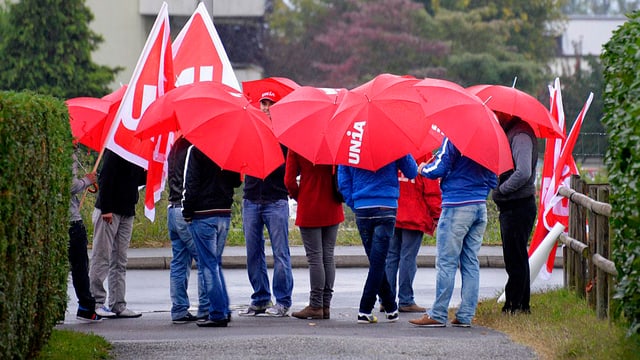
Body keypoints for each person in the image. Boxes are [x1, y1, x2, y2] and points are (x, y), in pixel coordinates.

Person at [409, 137, 497, 328]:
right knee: (470, 261)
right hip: (479, 207)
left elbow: (439, 168)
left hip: (456, 205)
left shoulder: (455, 136)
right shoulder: (488, 141)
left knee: (446, 262)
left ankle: (438, 313)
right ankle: (466, 314)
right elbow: (493, 179)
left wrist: (422, 168)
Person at [337, 154, 418, 324]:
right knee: (378, 262)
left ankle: (390, 306)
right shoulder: (394, 141)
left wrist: (355, 203)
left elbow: (343, 179)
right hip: (386, 206)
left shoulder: (352, 140)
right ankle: (365, 309)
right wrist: (405, 150)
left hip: (362, 208)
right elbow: (411, 172)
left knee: (377, 262)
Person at [238, 91, 294, 317]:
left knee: (280, 253)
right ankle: (260, 297)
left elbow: (288, 167)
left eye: (270, 103)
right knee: (253, 252)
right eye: (263, 102)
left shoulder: (284, 135)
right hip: (251, 197)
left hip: (276, 199)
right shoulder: (249, 131)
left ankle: (282, 300)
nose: (266, 106)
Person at [181, 144, 242, 328]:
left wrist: (187, 211)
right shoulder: (229, 148)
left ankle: (217, 313)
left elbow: (190, 184)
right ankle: (223, 308)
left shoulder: (196, 150)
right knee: (215, 264)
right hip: (224, 212)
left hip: (203, 213)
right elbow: (236, 181)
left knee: (208, 265)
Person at [285, 151, 344, 320]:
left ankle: (315, 304)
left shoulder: (297, 144)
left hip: (309, 204)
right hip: (332, 204)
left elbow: (289, 180)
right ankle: (326, 305)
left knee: (315, 257)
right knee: (328, 256)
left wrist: (299, 195)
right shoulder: (334, 139)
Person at [89, 149, 146, 318]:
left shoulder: (137, 155)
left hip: (127, 210)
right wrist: (106, 208)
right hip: (110, 211)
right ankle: (97, 302)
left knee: (120, 259)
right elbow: (105, 177)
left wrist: (149, 171)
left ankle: (118, 304)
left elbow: (137, 180)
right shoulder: (115, 150)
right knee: (102, 256)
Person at [492, 113, 538, 315]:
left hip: (518, 205)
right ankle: (519, 304)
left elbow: (523, 172)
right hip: (513, 205)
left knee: (515, 258)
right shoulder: (513, 132)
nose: (494, 116)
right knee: (516, 257)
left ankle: (515, 304)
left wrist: (502, 189)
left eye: (496, 113)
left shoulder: (520, 135)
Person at [383, 161, 441, 313]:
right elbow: (431, 191)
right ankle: (406, 299)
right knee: (408, 258)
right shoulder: (425, 158)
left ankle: (386, 300)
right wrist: (437, 215)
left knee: (391, 257)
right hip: (414, 215)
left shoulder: (392, 153)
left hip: (392, 210)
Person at [167, 136, 209, 324]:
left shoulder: (176, 146)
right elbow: (190, 183)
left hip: (172, 208)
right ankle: (206, 308)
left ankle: (179, 310)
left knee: (179, 262)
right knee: (204, 260)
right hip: (184, 212)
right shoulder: (193, 148)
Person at [69, 146, 101, 323]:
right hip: (72, 220)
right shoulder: (67, 154)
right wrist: (86, 180)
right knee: (80, 266)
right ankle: (86, 308)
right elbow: (71, 186)